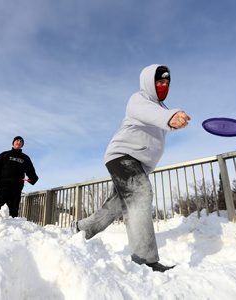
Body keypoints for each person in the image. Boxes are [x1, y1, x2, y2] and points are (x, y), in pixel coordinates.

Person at [73, 64, 191, 272]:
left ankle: (82, 229)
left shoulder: (161, 110)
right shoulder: (139, 100)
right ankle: (145, 261)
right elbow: (149, 113)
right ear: (149, 83)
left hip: (138, 164)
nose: (164, 86)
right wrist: (170, 117)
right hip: (122, 156)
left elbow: (158, 118)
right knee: (141, 194)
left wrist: (172, 119)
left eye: (166, 83)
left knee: (116, 205)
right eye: (159, 82)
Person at [0, 136, 39, 218]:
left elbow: (31, 171)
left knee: (13, 213)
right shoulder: (4, 154)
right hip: (2, 187)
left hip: (16, 189)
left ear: (22, 145)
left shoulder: (25, 158)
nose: (19, 142)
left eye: (21, 141)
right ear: (13, 143)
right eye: (17, 140)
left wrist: (32, 179)